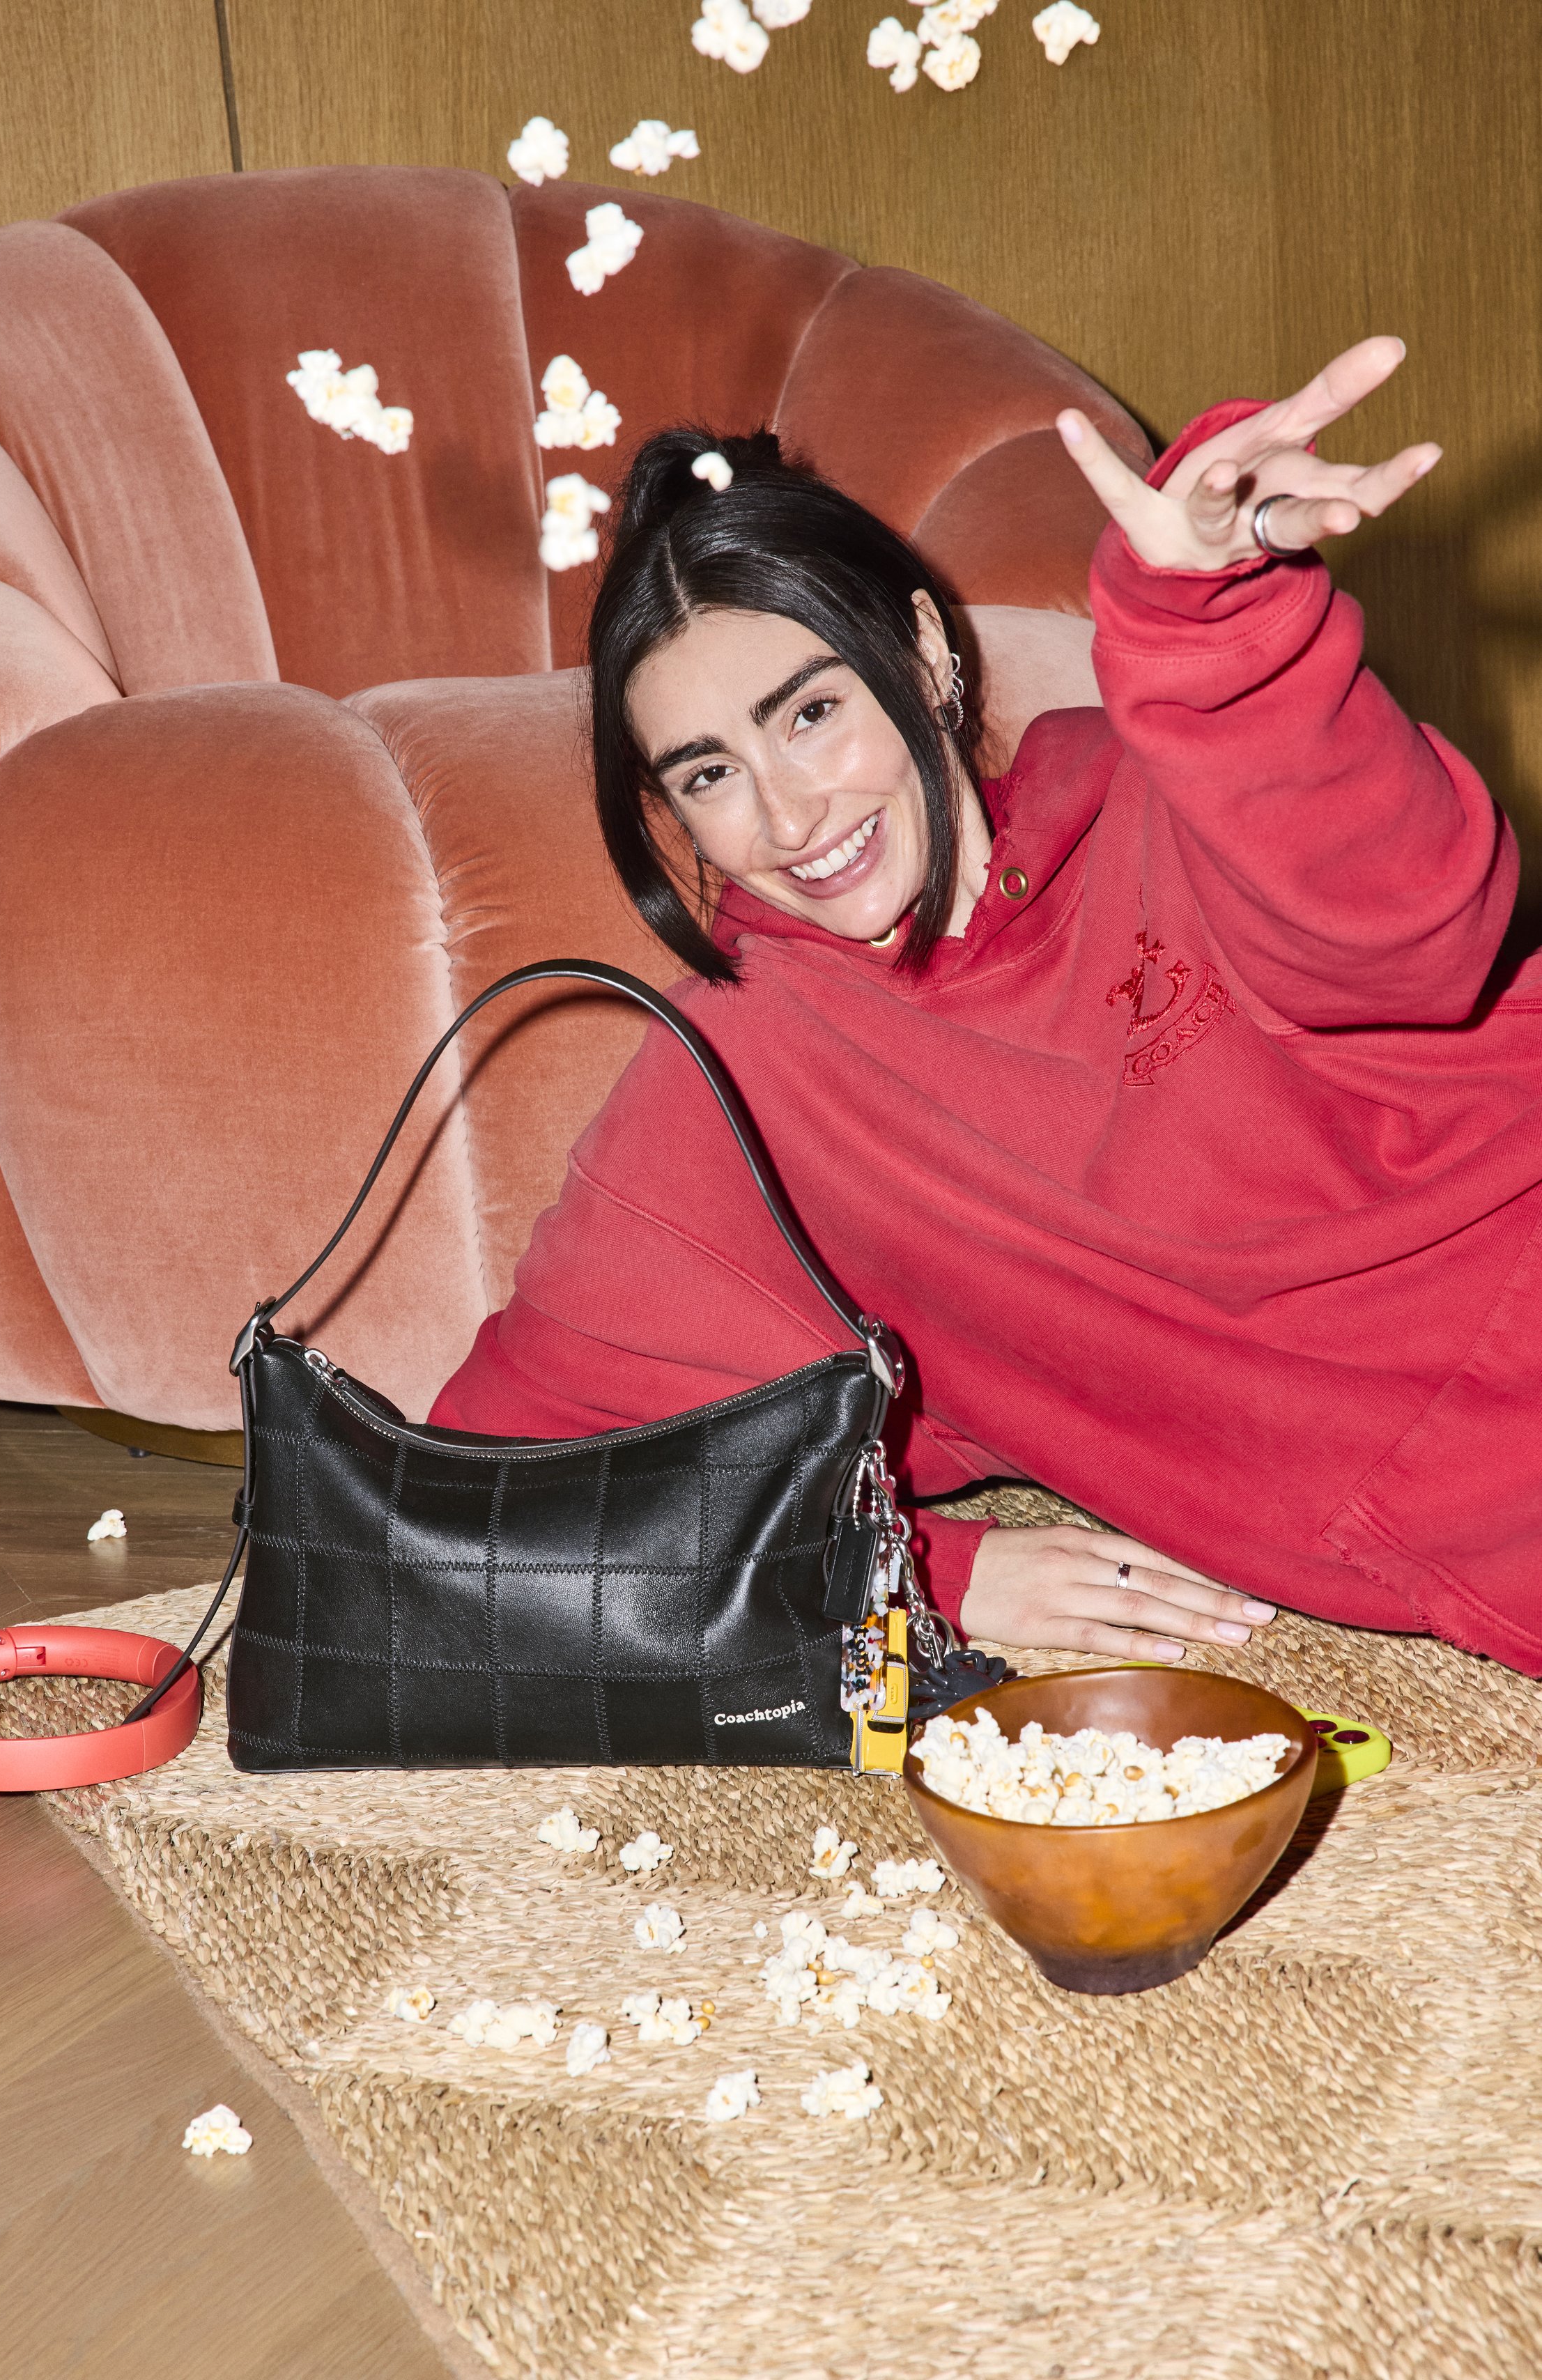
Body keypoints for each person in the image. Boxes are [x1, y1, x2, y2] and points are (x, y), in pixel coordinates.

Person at [431, 338, 1542, 1678]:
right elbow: (484, 1497)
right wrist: (912, 1572)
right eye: (709, 773)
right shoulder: (739, 1077)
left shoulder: (1161, 791)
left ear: (921, 652)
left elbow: (1419, 938)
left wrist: (1211, 630)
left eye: (811, 714)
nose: (789, 816)